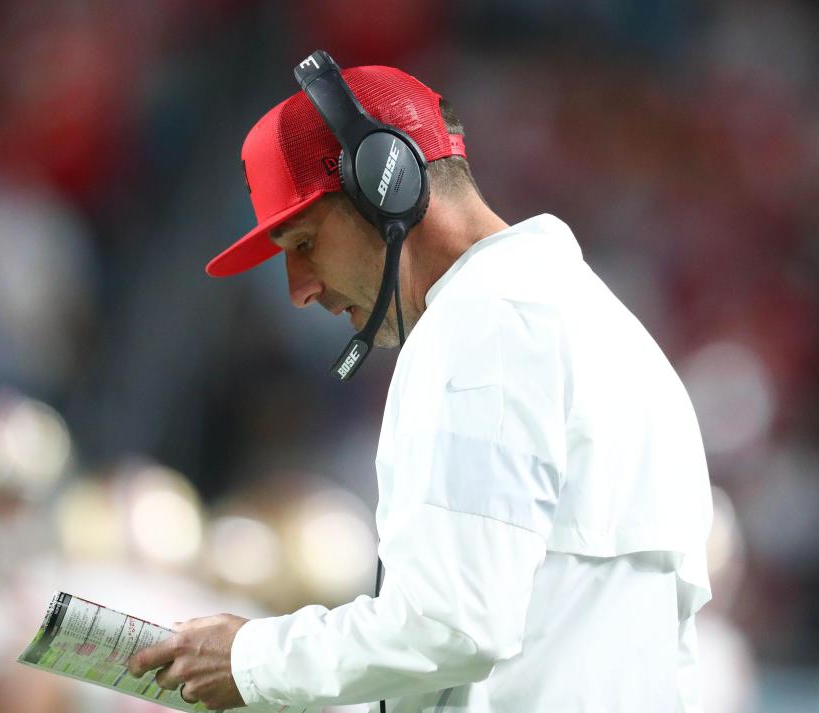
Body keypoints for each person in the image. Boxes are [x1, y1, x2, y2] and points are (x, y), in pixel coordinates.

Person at [128, 57, 714, 713]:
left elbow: (452, 621)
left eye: (304, 243)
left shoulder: (481, 323)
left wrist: (251, 659)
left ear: (387, 187)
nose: (300, 290)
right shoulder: (613, 333)